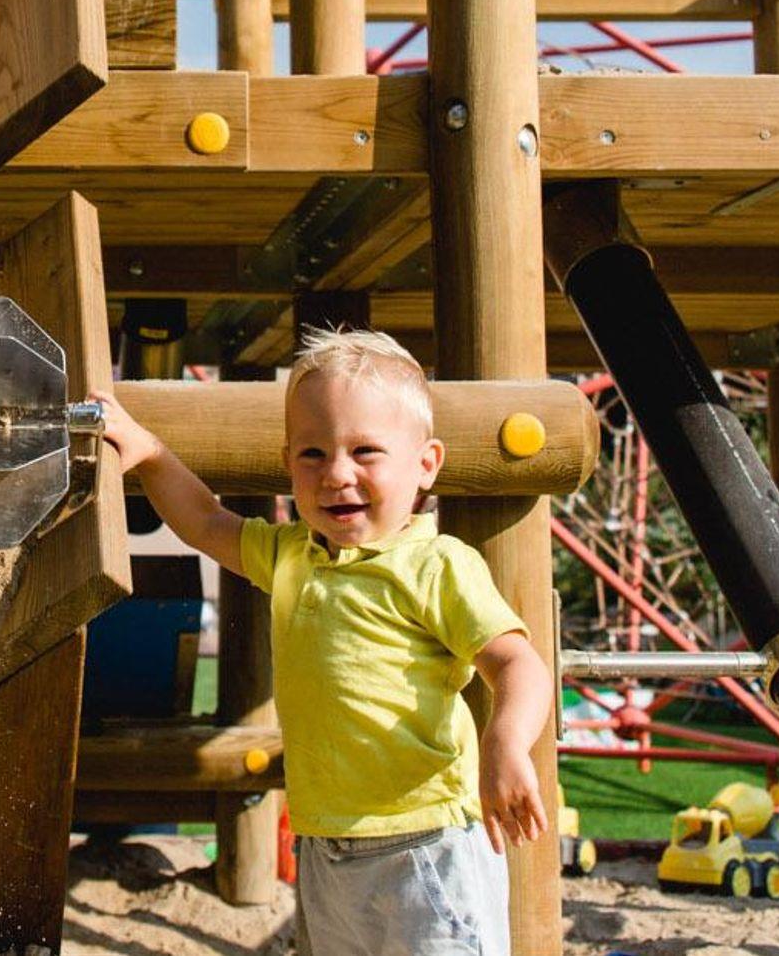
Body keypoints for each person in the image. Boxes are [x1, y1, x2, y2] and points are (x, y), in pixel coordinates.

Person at [93, 328, 553, 956]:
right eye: (313, 453)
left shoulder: (436, 565)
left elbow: (518, 662)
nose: (337, 474)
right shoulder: (291, 557)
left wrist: (506, 741)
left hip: (426, 844)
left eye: (365, 451)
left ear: (426, 464)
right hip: (324, 846)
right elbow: (204, 521)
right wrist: (150, 454)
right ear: (289, 463)